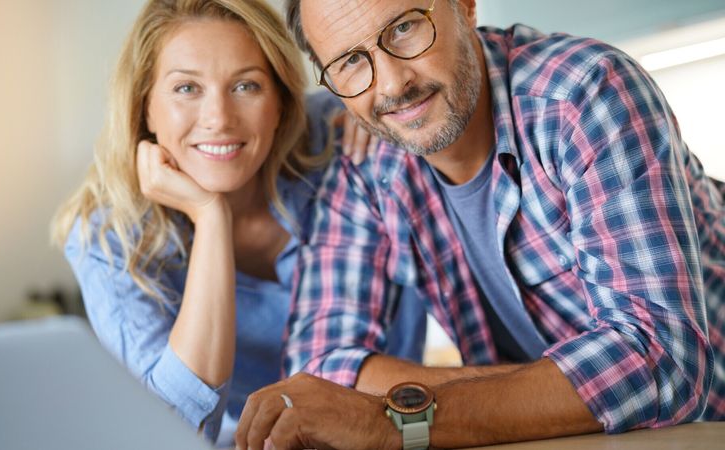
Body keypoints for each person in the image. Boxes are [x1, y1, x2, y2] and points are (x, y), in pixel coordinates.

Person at [235, 0, 725, 448]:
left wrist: (396, 420)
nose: (390, 84)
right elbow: (317, 372)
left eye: (404, 28)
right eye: (349, 61)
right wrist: (530, 395)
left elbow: (663, 360)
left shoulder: (583, 93)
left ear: (466, 7)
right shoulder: (367, 165)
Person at [50, 0, 426, 446]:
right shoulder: (109, 237)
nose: (219, 119)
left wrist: (381, 115)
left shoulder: (344, 133)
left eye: (246, 86)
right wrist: (210, 217)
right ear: (144, 106)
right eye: (187, 88)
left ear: (281, 102)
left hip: (395, 430)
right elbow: (173, 430)